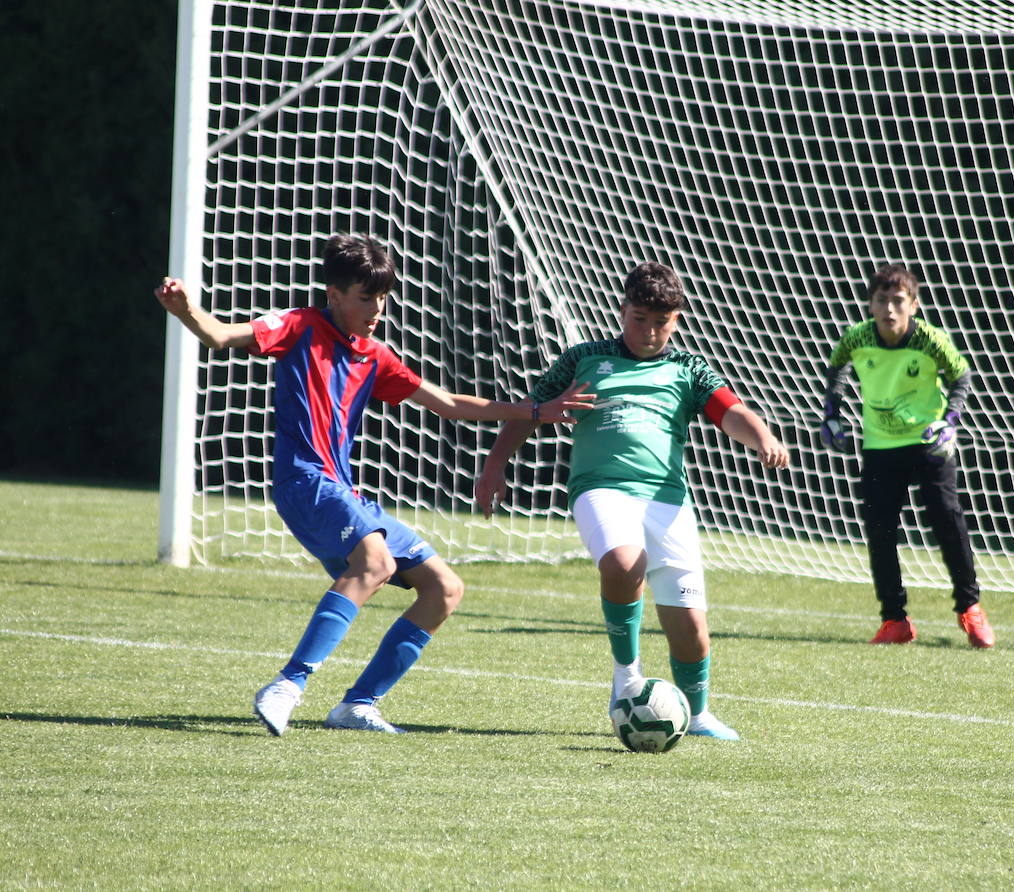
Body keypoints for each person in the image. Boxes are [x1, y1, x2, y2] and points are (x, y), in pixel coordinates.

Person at [154, 232, 594, 735]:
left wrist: (538, 412)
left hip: (343, 488)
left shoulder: (373, 355)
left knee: (444, 589)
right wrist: (186, 308)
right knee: (376, 562)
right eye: (366, 298)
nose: (377, 309)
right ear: (335, 294)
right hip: (305, 481)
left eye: (383, 298)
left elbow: (447, 402)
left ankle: (357, 705)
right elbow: (220, 336)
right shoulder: (300, 327)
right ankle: (288, 685)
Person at [474, 262, 790, 741]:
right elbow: (529, 411)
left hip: (667, 501)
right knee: (624, 564)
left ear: (677, 319)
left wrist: (762, 436)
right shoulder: (584, 358)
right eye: (639, 318)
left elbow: (731, 410)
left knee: (690, 628)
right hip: (601, 489)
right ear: (623, 310)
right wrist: (495, 464)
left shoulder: (686, 368)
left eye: (661, 322)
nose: (648, 331)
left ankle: (698, 714)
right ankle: (627, 677)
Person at [820, 263, 995, 648]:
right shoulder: (857, 337)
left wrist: (950, 421)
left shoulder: (930, 339)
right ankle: (894, 620)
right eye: (882, 301)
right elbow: (837, 369)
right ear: (870, 305)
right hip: (880, 447)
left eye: (898, 301)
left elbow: (960, 375)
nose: (890, 309)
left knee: (948, 522)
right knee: (880, 533)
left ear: (913, 305)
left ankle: (971, 609)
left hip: (928, 444)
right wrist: (831, 415)